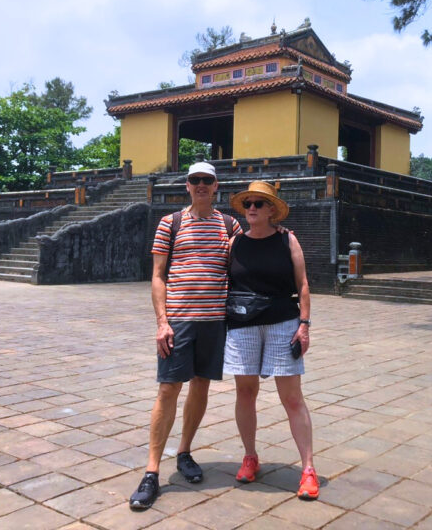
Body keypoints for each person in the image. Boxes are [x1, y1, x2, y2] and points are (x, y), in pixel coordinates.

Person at [130, 161, 241, 511]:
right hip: (178, 321)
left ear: (216, 186)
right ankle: (151, 471)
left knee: (201, 386)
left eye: (207, 180)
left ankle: (184, 452)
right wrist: (162, 322)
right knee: (168, 389)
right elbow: (158, 275)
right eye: (195, 181)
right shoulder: (171, 223)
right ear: (187, 186)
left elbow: (247, 260)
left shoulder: (229, 224)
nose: (202, 186)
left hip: (214, 322)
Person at [223, 180, 319, 500]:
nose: (252, 208)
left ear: (271, 210)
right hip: (243, 324)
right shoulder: (234, 243)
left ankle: (307, 468)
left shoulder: (287, 240)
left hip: (282, 321)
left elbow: (302, 284)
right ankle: (250, 456)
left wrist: (303, 325)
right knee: (245, 391)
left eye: (259, 204)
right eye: (248, 203)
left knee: (291, 397)